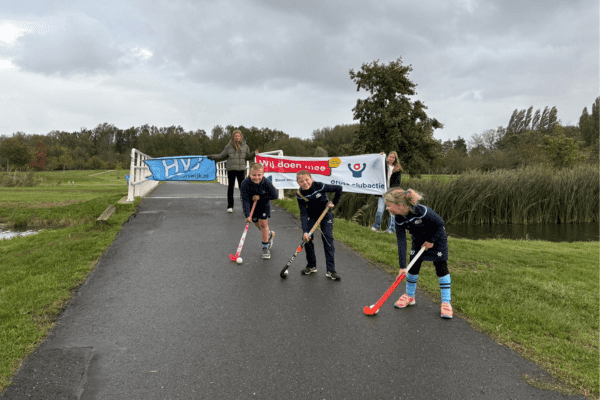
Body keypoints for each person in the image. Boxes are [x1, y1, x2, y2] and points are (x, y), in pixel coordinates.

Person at [383, 188, 453, 319]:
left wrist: (431, 240)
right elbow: (401, 241)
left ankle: (446, 302)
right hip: (419, 241)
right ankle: (410, 296)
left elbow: (440, 224)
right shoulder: (398, 218)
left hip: (437, 238)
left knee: (441, 268)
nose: (387, 208)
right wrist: (402, 266)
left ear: (400, 205)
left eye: (388, 205)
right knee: (412, 268)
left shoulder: (420, 211)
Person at [296, 170, 343, 281]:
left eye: (307, 180)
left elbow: (338, 188)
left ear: (311, 179)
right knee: (306, 239)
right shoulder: (300, 194)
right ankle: (311, 266)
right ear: (298, 183)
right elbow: (303, 213)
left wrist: (334, 202)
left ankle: (331, 270)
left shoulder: (319, 186)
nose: (305, 183)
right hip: (311, 216)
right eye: (301, 181)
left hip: (325, 214)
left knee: (327, 239)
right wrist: (305, 231)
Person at [207, 129, 257, 213]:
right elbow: (221, 156)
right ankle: (230, 206)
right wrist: (211, 157)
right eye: (236, 136)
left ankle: (245, 206)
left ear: (241, 137)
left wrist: (254, 153)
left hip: (241, 169)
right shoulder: (228, 146)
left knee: (243, 188)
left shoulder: (245, 146)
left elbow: (247, 157)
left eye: (239, 136)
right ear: (233, 137)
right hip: (231, 169)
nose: (237, 137)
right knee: (231, 188)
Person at [240, 163, 279, 260]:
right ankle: (268, 235)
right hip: (252, 206)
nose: (257, 177)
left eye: (259, 175)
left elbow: (275, 195)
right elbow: (244, 200)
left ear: (263, 174)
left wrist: (260, 197)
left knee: (263, 224)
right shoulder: (245, 184)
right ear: (249, 174)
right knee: (257, 224)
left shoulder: (266, 182)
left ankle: (265, 247)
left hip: (263, 205)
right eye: (254, 175)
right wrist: (247, 215)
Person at [372, 151, 403, 233]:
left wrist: (392, 192)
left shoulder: (398, 169)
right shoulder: (383, 165)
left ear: (395, 159)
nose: (392, 159)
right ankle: (376, 226)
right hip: (382, 192)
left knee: (391, 212)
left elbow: (397, 183)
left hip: (391, 193)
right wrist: (380, 157)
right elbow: (374, 166)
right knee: (380, 210)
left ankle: (391, 229)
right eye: (391, 157)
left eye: (393, 157)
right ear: (388, 157)